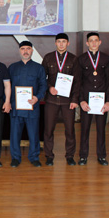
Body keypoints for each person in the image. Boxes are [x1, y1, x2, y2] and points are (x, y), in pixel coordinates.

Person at [42, 33, 81, 166]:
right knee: (48, 129)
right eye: (59, 41)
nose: (61, 44)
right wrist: (49, 87)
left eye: (64, 41)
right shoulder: (48, 58)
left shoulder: (74, 59)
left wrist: (75, 99)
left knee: (70, 130)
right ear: (55, 43)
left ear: (68, 43)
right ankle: (49, 156)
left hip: (67, 101)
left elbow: (77, 81)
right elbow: (42, 78)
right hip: (51, 100)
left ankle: (70, 156)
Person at [8, 41, 47, 167]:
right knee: (15, 135)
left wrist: (37, 97)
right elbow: (7, 86)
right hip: (16, 108)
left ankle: (34, 157)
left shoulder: (39, 68)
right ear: (19, 51)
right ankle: (15, 158)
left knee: (33, 134)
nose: (25, 51)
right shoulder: (12, 68)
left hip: (32, 107)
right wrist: (7, 102)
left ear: (32, 50)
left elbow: (43, 85)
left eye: (28, 48)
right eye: (23, 49)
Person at [77, 32, 109, 166]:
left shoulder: (106, 58)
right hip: (87, 101)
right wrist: (81, 100)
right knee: (84, 129)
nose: (93, 43)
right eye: (91, 41)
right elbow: (78, 82)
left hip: (101, 101)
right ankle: (83, 156)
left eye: (95, 40)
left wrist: (108, 101)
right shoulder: (81, 59)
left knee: (101, 129)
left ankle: (102, 156)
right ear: (87, 43)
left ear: (99, 42)